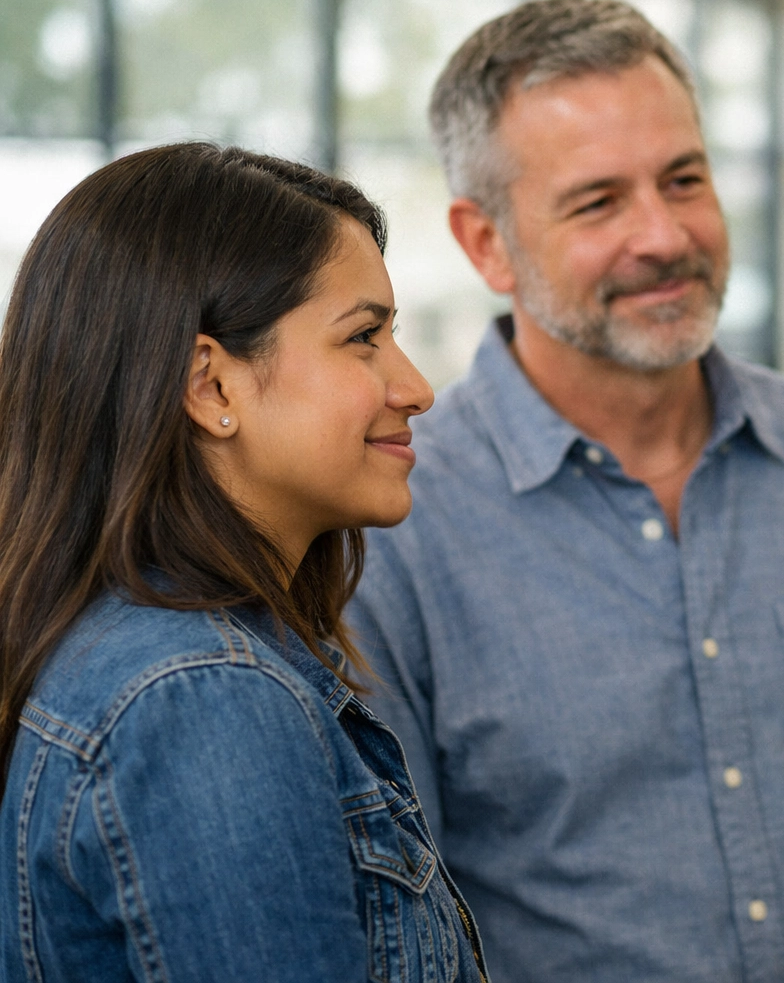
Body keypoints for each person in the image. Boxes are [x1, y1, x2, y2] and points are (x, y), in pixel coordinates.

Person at [347, 0, 784, 983]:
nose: (664, 235)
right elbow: (394, 923)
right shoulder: (395, 531)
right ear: (486, 243)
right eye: (598, 202)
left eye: (685, 180)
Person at [0, 143, 488, 982]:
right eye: (364, 337)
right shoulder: (204, 695)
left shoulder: (147, 657)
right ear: (212, 388)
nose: (415, 387)